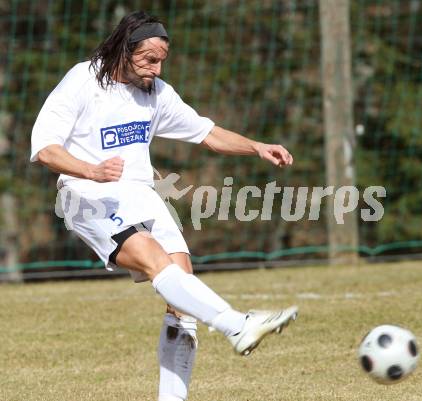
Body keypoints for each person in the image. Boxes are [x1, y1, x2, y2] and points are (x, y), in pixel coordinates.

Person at [30, 10, 298, 401]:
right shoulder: (83, 80)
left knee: (182, 293)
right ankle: (237, 325)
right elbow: (45, 148)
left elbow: (205, 132)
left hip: (139, 194)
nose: (156, 69)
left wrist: (256, 146)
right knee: (156, 261)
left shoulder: (155, 93)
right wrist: (90, 170)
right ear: (125, 50)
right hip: (86, 194)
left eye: (161, 61)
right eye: (149, 59)